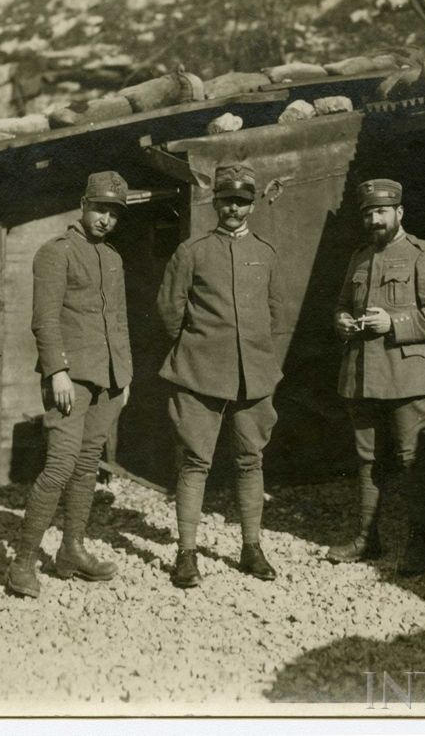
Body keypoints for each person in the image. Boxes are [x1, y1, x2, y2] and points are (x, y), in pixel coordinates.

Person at [157, 162, 288, 589]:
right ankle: (187, 554)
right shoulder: (192, 252)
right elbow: (170, 309)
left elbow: (275, 312)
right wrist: (195, 348)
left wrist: (264, 360)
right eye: (227, 199)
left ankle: (251, 548)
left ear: (251, 205)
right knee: (196, 461)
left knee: (251, 460)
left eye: (242, 201)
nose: (234, 208)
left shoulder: (266, 253)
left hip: (254, 373)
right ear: (214, 202)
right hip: (200, 371)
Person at [5, 171, 133, 598]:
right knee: (59, 466)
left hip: (108, 380)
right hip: (70, 380)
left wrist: (124, 376)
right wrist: (56, 370)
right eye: (100, 209)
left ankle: (72, 550)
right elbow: (44, 318)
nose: (106, 220)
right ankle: (22, 563)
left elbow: (118, 319)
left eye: (114, 213)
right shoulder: (55, 253)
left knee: (85, 466)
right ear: (83, 203)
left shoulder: (112, 258)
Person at [328, 178, 425, 577]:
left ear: (399, 212)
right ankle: (368, 538)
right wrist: (343, 322)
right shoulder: (360, 257)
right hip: (363, 374)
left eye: (381, 211)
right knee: (367, 459)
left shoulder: (424, 255)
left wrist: (393, 321)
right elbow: (341, 306)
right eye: (368, 213)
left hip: (408, 377)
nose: (374, 219)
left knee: (411, 460)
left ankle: (418, 545)